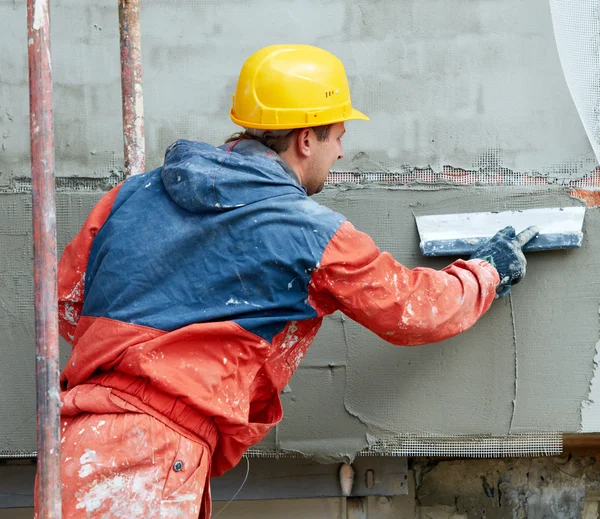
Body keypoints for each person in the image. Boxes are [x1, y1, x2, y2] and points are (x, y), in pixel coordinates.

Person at [47, 44, 535, 518]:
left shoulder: (131, 195)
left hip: (78, 443)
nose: (341, 152)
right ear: (306, 139)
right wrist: (487, 270)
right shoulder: (306, 230)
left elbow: (69, 306)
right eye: (338, 136)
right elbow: (413, 309)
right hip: (151, 455)